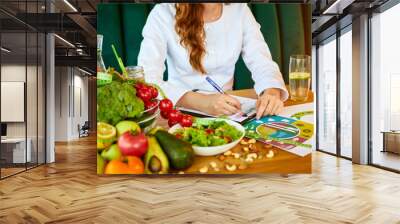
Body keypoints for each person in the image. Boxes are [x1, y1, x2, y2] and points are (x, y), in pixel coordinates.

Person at [138, 3, 288, 119]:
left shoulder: (240, 10)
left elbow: (262, 62)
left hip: (229, 112)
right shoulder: (163, 13)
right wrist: (203, 102)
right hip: (179, 112)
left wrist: (271, 92)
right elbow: (146, 79)